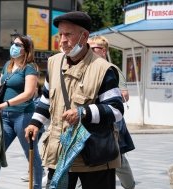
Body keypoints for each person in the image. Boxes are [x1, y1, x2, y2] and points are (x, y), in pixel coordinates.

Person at [24, 11, 124, 189]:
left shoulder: (103, 69)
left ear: (84, 36)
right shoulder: (53, 63)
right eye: (60, 34)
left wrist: (83, 112)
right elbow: (46, 100)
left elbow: (116, 111)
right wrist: (35, 123)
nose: (62, 40)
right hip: (59, 153)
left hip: (94, 157)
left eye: (68, 34)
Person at [0, 34, 43, 189]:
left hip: (23, 116)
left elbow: (29, 93)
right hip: (5, 118)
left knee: (32, 156)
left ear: (26, 49)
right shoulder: (8, 65)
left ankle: (37, 186)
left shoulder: (30, 68)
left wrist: (6, 104)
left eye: (18, 44)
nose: (14, 46)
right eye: (13, 43)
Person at [88, 35, 136, 189]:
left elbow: (125, 95)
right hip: (92, 120)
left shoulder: (111, 69)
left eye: (94, 48)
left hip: (111, 121)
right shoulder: (88, 68)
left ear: (103, 50)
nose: (90, 51)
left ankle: (129, 186)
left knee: (116, 155)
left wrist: (109, 95)